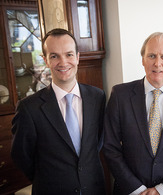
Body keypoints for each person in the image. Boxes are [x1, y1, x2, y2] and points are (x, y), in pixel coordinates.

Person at [103, 32, 163, 195]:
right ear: (143, 60)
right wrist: (137, 189)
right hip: (130, 190)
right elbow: (110, 147)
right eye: (151, 56)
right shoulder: (120, 95)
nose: (157, 63)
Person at [11, 28, 106, 194]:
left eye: (69, 54)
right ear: (45, 60)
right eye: (54, 56)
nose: (63, 62)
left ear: (77, 57)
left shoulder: (97, 97)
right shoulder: (29, 108)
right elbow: (21, 156)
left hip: (94, 188)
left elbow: (97, 142)